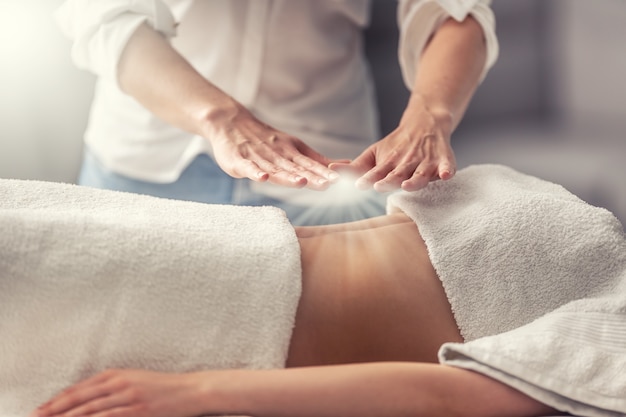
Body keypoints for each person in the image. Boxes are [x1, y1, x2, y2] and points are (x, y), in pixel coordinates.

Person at [3, 165, 623, 417]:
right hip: (214, 242)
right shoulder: (592, 229)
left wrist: (194, 390)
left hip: (223, 313)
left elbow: (457, 398)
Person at [53, 0, 499, 225]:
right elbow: (104, 14)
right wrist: (220, 118)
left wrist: (431, 114)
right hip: (143, 165)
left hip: (328, 174)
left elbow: (454, 9)